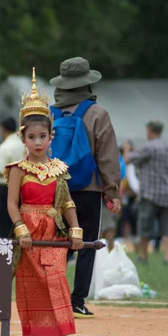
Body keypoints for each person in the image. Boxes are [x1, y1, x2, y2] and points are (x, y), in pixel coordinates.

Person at [5, 69, 83, 336]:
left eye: (43, 136)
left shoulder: (59, 169)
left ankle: (58, 329)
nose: (37, 143)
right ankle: (32, 331)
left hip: (53, 231)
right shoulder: (17, 169)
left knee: (56, 278)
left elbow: (66, 202)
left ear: (51, 137)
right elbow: (12, 204)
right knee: (29, 282)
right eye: (32, 137)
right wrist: (21, 229)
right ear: (23, 138)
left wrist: (75, 228)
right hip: (28, 232)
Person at [49, 57, 121, 319]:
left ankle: (51, 296)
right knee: (87, 243)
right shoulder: (97, 113)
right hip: (88, 189)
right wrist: (112, 192)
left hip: (54, 190)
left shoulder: (49, 113)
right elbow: (107, 155)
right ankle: (77, 302)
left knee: (56, 244)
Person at [123, 120, 168, 263]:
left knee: (145, 226)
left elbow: (128, 160)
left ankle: (143, 256)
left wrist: (127, 149)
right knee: (167, 229)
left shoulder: (149, 147)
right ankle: (167, 258)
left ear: (151, 130)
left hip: (150, 194)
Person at [0, 117, 24, 238]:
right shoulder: (23, 146)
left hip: (6, 189)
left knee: (5, 225)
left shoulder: (5, 147)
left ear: (3, 129)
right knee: (19, 223)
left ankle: (7, 253)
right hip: (23, 188)